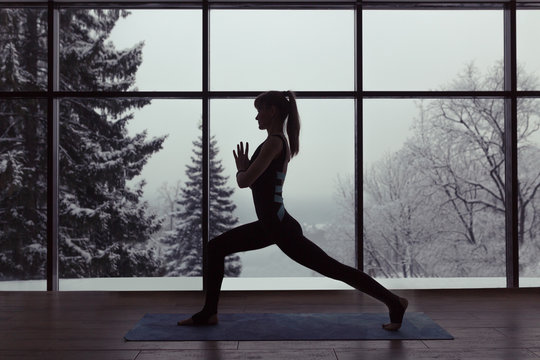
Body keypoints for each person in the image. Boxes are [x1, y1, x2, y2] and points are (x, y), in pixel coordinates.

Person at [178, 90, 408, 331]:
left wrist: (241, 169)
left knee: (333, 269)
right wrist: (246, 170)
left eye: (260, 111)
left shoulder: (274, 143)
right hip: (272, 225)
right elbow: (258, 182)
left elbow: (244, 181)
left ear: (272, 111)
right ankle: (209, 313)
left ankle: (395, 302)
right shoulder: (276, 142)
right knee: (216, 247)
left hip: (279, 228)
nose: (256, 117)